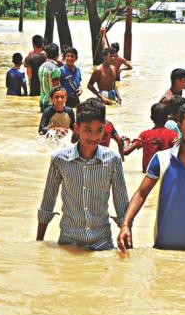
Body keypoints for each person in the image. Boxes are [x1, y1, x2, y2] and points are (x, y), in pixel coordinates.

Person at [117, 102, 185, 251]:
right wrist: (125, 225)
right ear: (179, 126)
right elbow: (141, 194)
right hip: (162, 249)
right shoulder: (161, 159)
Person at [37, 98, 129, 250]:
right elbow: (48, 202)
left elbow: (121, 203)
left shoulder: (113, 159)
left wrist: (125, 232)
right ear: (77, 128)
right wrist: (38, 246)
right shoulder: (59, 159)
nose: (94, 137)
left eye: (99, 130)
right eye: (87, 130)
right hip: (68, 243)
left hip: (102, 244)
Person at [123, 103, 179, 172]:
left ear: (151, 118)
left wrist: (126, 141)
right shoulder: (173, 135)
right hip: (165, 174)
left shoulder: (144, 135)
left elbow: (125, 151)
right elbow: (181, 154)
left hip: (148, 175)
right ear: (167, 118)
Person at [38, 43, 62, 112]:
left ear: (46, 54)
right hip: (51, 103)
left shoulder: (42, 66)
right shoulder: (55, 69)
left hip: (42, 101)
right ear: (58, 55)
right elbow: (56, 89)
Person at [24, 35, 46, 100]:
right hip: (45, 85)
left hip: (34, 85)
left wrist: (30, 84)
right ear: (42, 44)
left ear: (33, 44)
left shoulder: (30, 56)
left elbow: (29, 74)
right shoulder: (47, 56)